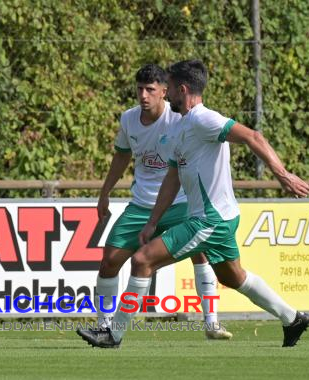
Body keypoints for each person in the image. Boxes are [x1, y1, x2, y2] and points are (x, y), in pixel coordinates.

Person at [78, 59, 309, 348]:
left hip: (210, 220)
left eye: (171, 88)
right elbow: (173, 177)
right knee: (235, 277)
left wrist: (283, 175)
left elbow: (253, 136)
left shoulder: (204, 119)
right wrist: (153, 221)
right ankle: (293, 318)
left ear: (182, 89)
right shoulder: (182, 125)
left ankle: (113, 334)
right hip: (215, 218)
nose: (167, 93)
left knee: (142, 260)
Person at [92, 63, 231, 339]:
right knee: (109, 261)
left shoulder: (181, 118)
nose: (143, 95)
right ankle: (104, 325)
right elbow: (121, 156)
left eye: (150, 90)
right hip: (142, 205)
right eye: (140, 89)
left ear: (165, 92)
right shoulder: (128, 119)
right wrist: (105, 192)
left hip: (180, 202)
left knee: (200, 252)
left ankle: (211, 323)